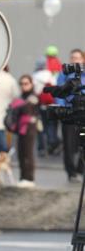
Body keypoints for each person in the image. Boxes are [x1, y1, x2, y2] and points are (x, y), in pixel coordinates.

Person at [56, 48, 85, 183]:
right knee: (69, 144)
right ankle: (71, 172)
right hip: (69, 113)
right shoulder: (64, 74)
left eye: (77, 58)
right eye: (72, 58)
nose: (74, 60)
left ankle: (80, 168)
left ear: (83, 59)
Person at [10, 75, 40, 187]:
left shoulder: (33, 97)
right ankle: (23, 177)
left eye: (26, 83)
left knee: (28, 153)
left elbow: (28, 111)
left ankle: (29, 178)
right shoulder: (21, 97)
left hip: (29, 128)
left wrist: (19, 105)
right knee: (21, 153)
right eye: (21, 84)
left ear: (31, 84)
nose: (23, 86)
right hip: (20, 128)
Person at [32, 56, 61, 156]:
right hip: (53, 104)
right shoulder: (49, 74)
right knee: (52, 125)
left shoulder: (35, 76)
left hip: (42, 105)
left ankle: (44, 146)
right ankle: (53, 143)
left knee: (43, 126)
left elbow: (35, 91)